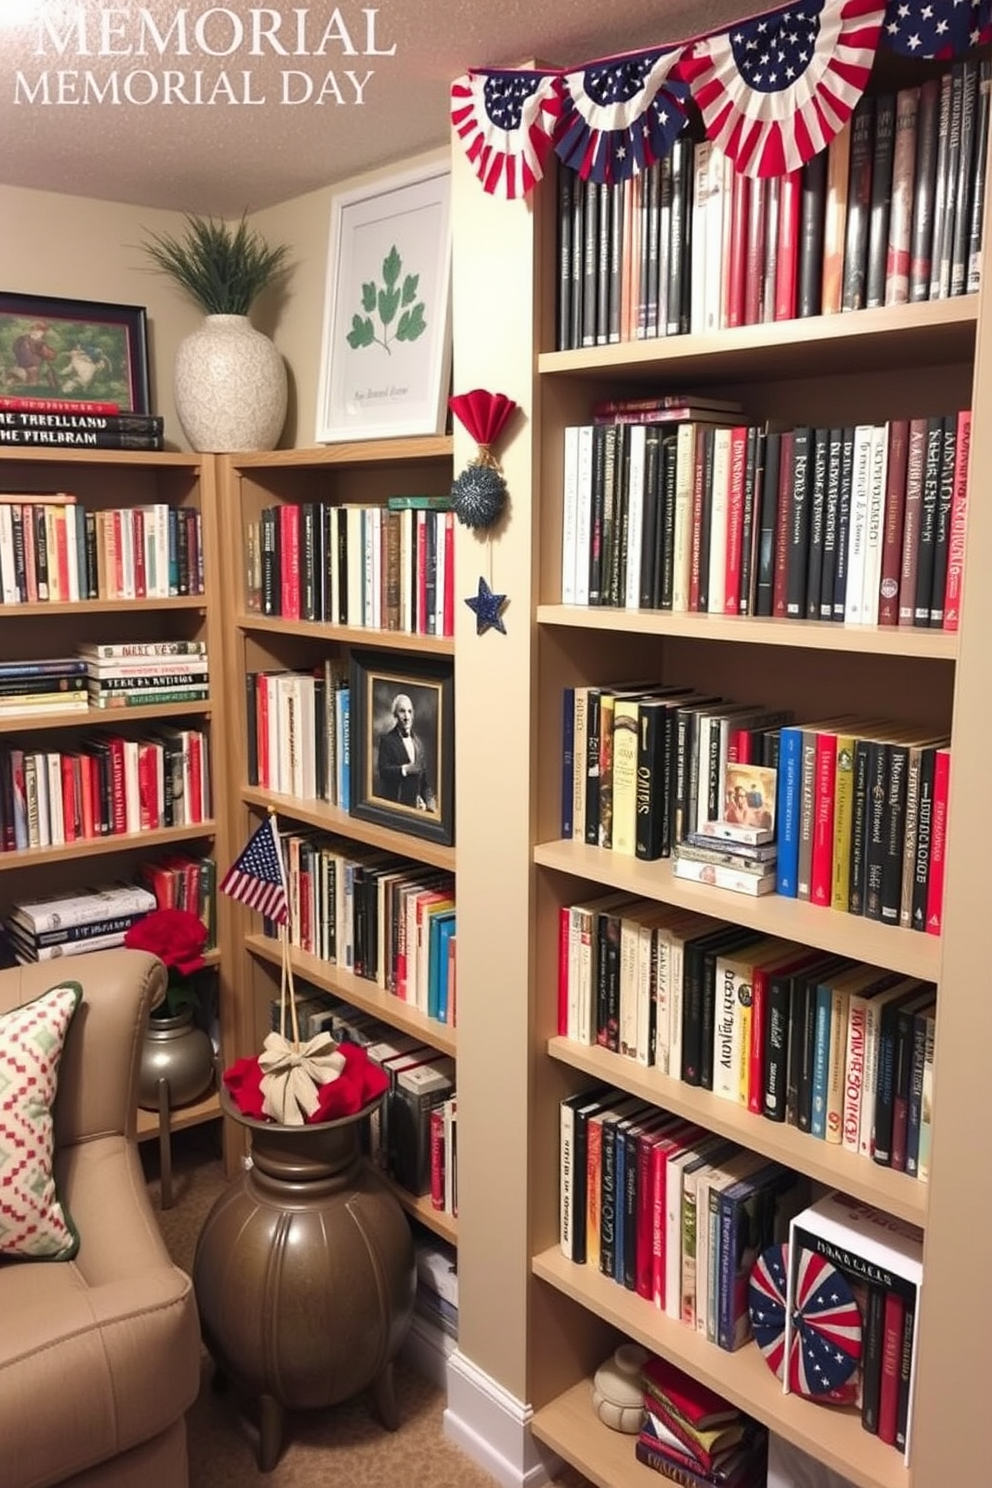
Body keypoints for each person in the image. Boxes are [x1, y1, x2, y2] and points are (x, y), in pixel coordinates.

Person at [376, 692, 436, 811]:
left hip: (415, 809)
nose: (406, 717)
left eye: (410, 711)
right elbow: (383, 772)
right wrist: (405, 769)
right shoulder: (387, 740)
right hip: (394, 808)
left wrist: (429, 803)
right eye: (402, 711)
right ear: (395, 715)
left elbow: (423, 782)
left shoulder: (418, 743)